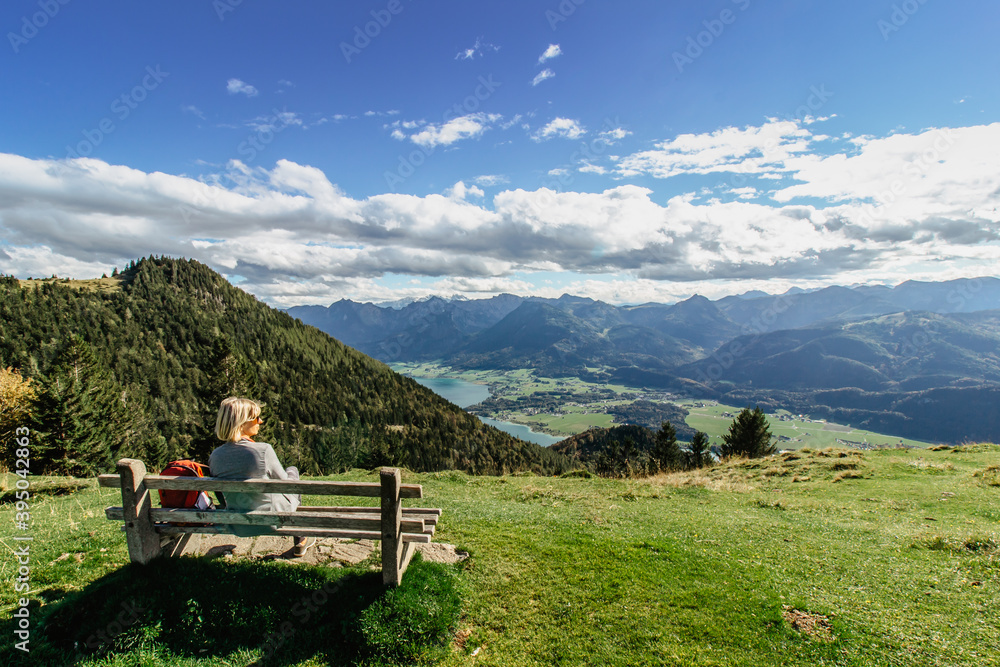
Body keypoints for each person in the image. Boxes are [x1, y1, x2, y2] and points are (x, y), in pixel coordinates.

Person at [208, 397, 315, 555]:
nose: (261, 421)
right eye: (256, 418)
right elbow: (286, 485)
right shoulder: (263, 450)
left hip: (238, 525)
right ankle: (300, 537)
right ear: (242, 423)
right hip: (271, 521)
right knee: (292, 471)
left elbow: (221, 495)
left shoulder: (215, 456)